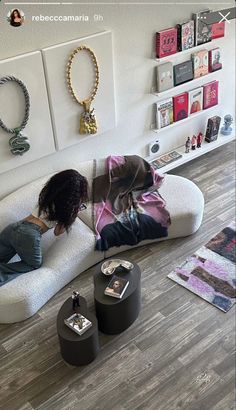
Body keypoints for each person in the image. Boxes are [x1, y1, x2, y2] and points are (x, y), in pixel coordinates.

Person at [0, 169, 89, 287]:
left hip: (14, 228)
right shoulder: (66, 209)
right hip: (29, 234)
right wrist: (74, 214)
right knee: (34, 265)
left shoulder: (47, 197)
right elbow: (58, 232)